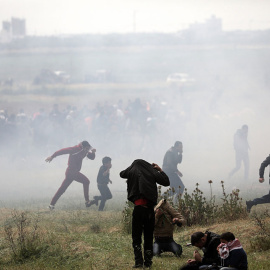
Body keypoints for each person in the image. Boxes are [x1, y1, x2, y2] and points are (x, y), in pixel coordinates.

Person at [120, 159, 170, 268]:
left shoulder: (131, 171)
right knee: (148, 237)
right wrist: (159, 170)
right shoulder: (151, 172)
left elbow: (122, 174)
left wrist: (131, 167)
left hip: (138, 209)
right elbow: (166, 182)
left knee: (136, 237)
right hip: (149, 210)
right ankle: (148, 262)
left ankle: (138, 262)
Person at [45, 140, 96, 210]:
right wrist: (52, 156)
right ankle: (87, 201)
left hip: (72, 172)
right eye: (86, 148)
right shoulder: (74, 149)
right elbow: (61, 151)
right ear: (82, 146)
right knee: (86, 181)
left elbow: (92, 158)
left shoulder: (85, 151)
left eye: (88, 148)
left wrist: (93, 152)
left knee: (62, 189)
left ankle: (51, 205)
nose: (87, 150)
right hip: (71, 172)